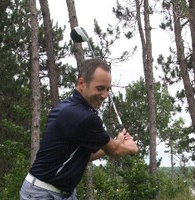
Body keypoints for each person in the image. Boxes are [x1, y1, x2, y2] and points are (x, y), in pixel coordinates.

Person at [19, 58, 138, 200]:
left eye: (108, 89)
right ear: (82, 83)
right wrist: (130, 148)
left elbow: (84, 154)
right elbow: (114, 150)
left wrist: (116, 143)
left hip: (60, 193)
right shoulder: (83, 116)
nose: (105, 95)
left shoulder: (67, 107)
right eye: (100, 88)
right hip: (42, 194)